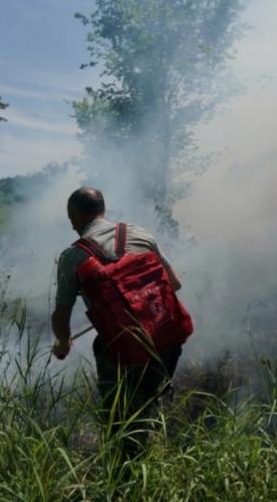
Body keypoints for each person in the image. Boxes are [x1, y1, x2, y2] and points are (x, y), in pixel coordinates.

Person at [51, 187, 190, 453]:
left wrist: (63, 342)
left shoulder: (73, 256)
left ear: (77, 215)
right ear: (102, 210)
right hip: (165, 339)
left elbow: (61, 314)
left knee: (119, 419)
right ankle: (152, 454)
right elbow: (175, 284)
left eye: (71, 220)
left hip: (120, 348)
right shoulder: (140, 234)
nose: (72, 228)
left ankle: (125, 475)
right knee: (148, 404)